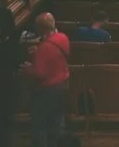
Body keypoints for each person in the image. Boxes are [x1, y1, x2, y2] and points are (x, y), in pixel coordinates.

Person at [22, 13, 70, 147]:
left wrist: (28, 68)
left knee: (40, 124)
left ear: (40, 29)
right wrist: (38, 52)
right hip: (63, 85)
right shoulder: (63, 37)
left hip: (47, 90)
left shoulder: (44, 48)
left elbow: (40, 73)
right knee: (58, 120)